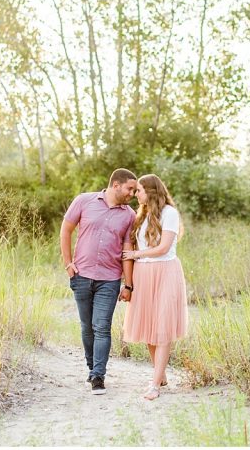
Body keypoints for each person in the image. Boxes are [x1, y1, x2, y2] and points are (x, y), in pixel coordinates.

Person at [60, 168, 138, 395]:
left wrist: (128, 284)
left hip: (110, 280)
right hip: (81, 275)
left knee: (102, 327)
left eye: (134, 190)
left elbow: (127, 250)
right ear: (116, 185)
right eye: (129, 189)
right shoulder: (84, 201)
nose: (132, 193)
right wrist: (68, 264)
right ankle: (91, 367)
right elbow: (66, 230)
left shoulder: (129, 215)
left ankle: (98, 376)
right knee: (87, 328)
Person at [121, 173, 188, 401]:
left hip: (165, 271)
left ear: (150, 191)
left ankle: (155, 384)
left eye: (138, 190)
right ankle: (161, 375)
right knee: (149, 327)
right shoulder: (142, 215)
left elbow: (164, 247)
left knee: (162, 327)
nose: (135, 194)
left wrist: (136, 253)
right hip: (144, 274)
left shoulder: (169, 213)